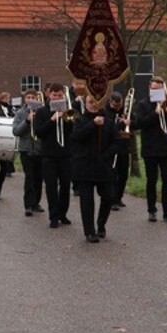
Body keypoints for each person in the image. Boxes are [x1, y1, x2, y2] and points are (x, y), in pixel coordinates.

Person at [132, 76, 167, 222]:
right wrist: (155, 113)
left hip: (166, 147)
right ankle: (152, 210)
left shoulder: (166, 103)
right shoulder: (142, 104)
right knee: (151, 180)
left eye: (159, 89)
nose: (156, 92)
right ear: (149, 88)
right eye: (154, 89)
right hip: (150, 148)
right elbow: (139, 123)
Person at [71, 96, 119, 243]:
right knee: (87, 200)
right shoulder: (80, 120)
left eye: (96, 102)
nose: (93, 105)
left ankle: (101, 224)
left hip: (103, 165)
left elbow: (116, 142)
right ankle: (89, 232)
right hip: (84, 165)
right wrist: (93, 124)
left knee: (109, 196)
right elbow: (76, 137)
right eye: (90, 102)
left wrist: (106, 156)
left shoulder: (109, 121)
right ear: (85, 104)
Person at [34, 83, 75, 229]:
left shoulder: (67, 111)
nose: (57, 98)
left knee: (65, 185)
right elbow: (39, 132)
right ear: (49, 95)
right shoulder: (41, 112)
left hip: (65, 153)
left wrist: (66, 118)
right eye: (54, 95)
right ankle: (54, 216)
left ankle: (63, 213)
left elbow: (72, 131)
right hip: (48, 154)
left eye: (60, 96)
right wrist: (51, 120)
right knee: (51, 186)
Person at [12, 89, 45, 216]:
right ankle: (28, 205)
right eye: (28, 97)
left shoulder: (41, 112)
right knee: (29, 178)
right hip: (26, 149)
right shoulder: (20, 113)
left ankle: (36, 202)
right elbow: (16, 131)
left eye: (33, 97)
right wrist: (27, 121)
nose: (31, 99)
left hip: (39, 149)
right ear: (25, 99)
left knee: (38, 178)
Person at [105, 92, 131, 210]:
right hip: (111, 147)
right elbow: (109, 129)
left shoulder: (124, 111)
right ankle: (112, 199)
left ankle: (119, 197)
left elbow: (135, 122)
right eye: (115, 106)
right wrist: (121, 124)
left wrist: (129, 120)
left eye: (119, 105)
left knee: (123, 174)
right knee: (113, 174)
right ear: (110, 102)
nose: (117, 108)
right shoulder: (106, 113)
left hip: (123, 146)